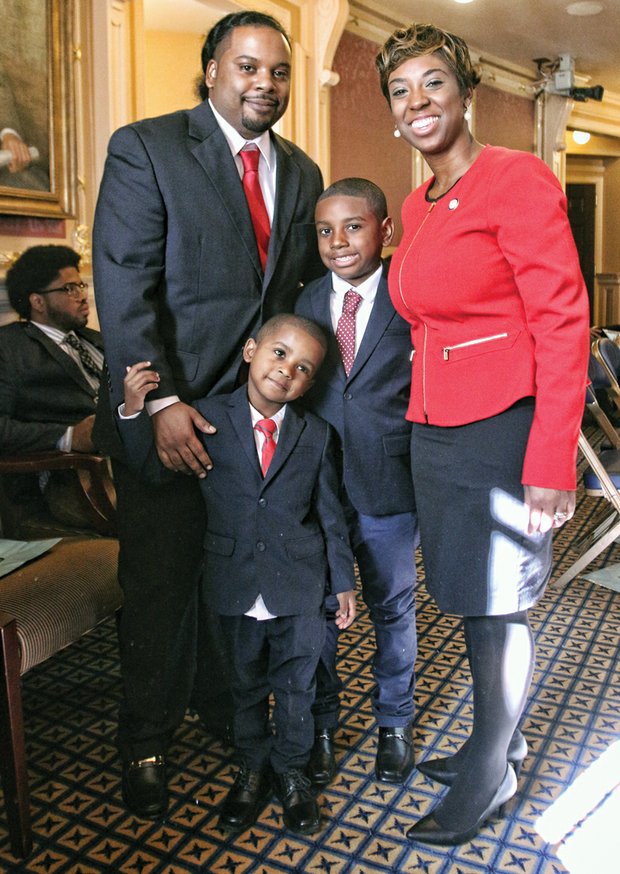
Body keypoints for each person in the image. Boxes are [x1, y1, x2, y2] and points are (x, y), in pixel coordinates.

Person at [92, 10, 324, 820]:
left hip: (253, 423)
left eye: (279, 72)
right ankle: (147, 741)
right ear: (211, 70)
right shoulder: (147, 147)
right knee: (158, 587)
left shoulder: (302, 172)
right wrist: (159, 401)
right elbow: (125, 290)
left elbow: (292, 301)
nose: (265, 84)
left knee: (239, 578)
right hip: (166, 412)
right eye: (248, 67)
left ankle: (231, 714)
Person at [375, 23, 589, 845]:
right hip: (436, 430)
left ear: (466, 94)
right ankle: (492, 740)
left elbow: (564, 322)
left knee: (499, 608)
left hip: (503, 431)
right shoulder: (415, 203)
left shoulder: (516, 179)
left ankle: (491, 773)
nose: (418, 102)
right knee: (470, 599)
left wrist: (551, 461)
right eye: (401, 90)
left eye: (434, 84)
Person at [119, 314, 357, 835]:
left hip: (299, 585)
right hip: (233, 582)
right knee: (244, 687)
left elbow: (330, 515)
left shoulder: (316, 435)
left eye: (302, 368)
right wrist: (137, 413)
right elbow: (154, 469)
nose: (285, 371)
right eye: (278, 354)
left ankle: (291, 772)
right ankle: (252, 770)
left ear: (310, 383)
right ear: (250, 350)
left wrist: (341, 582)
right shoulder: (205, 418)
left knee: (296, 689)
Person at [295, 178, 418, 786]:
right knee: (319, 612)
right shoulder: (303, 301)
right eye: (325, 230)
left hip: (388, 482)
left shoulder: (409, 293)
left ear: (384, 230)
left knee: (391, 607)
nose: (338, 241)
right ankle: (321, 724)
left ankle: (394, 720)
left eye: (353, 227)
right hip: (317, 490)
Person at [0, 245, 103, 526]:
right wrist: (68, 436)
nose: (83, 296)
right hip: (75, 481)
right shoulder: (10, 348)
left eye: (80, 285)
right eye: (69, 289)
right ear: (38, 301)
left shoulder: (94, 340)